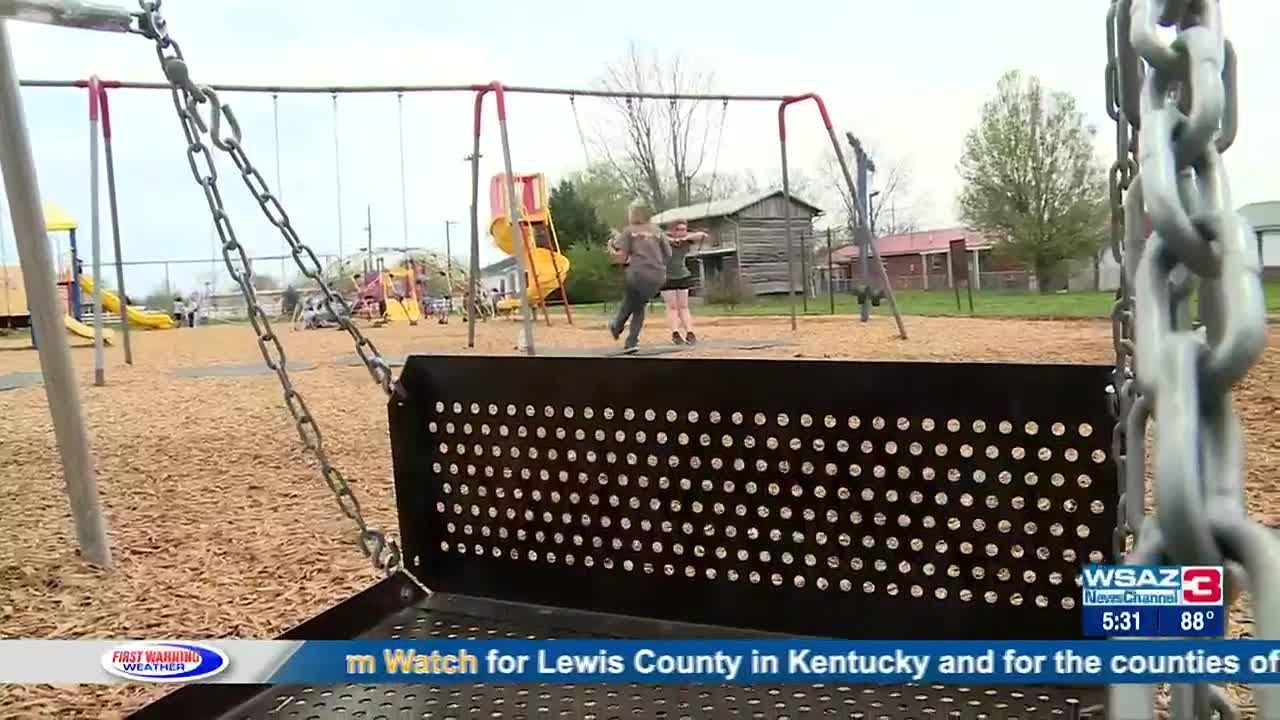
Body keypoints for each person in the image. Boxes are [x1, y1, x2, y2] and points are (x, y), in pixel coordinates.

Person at [608, 202, 670, 354]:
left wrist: (610, 249)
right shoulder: (658, 231)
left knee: (632, 303)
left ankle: (620, 330)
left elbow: (621, 258)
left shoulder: (629, 231)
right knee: (637, 305)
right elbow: (668, 254)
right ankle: (626, 336)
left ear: (633, 214)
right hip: (657, 276)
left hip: (637, 274)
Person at [660, 220, 709, 345]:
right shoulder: (663, 240)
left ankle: (690, 332)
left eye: (684, 229)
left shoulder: (686, 240)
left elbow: (703, 235)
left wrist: (685, 238)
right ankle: (675, 333)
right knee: (672, 307)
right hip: (666, 277)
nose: (682, 232)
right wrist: (671, 240)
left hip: (682, 275)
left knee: (683, 306)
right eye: (679, 229)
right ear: (673, 231)